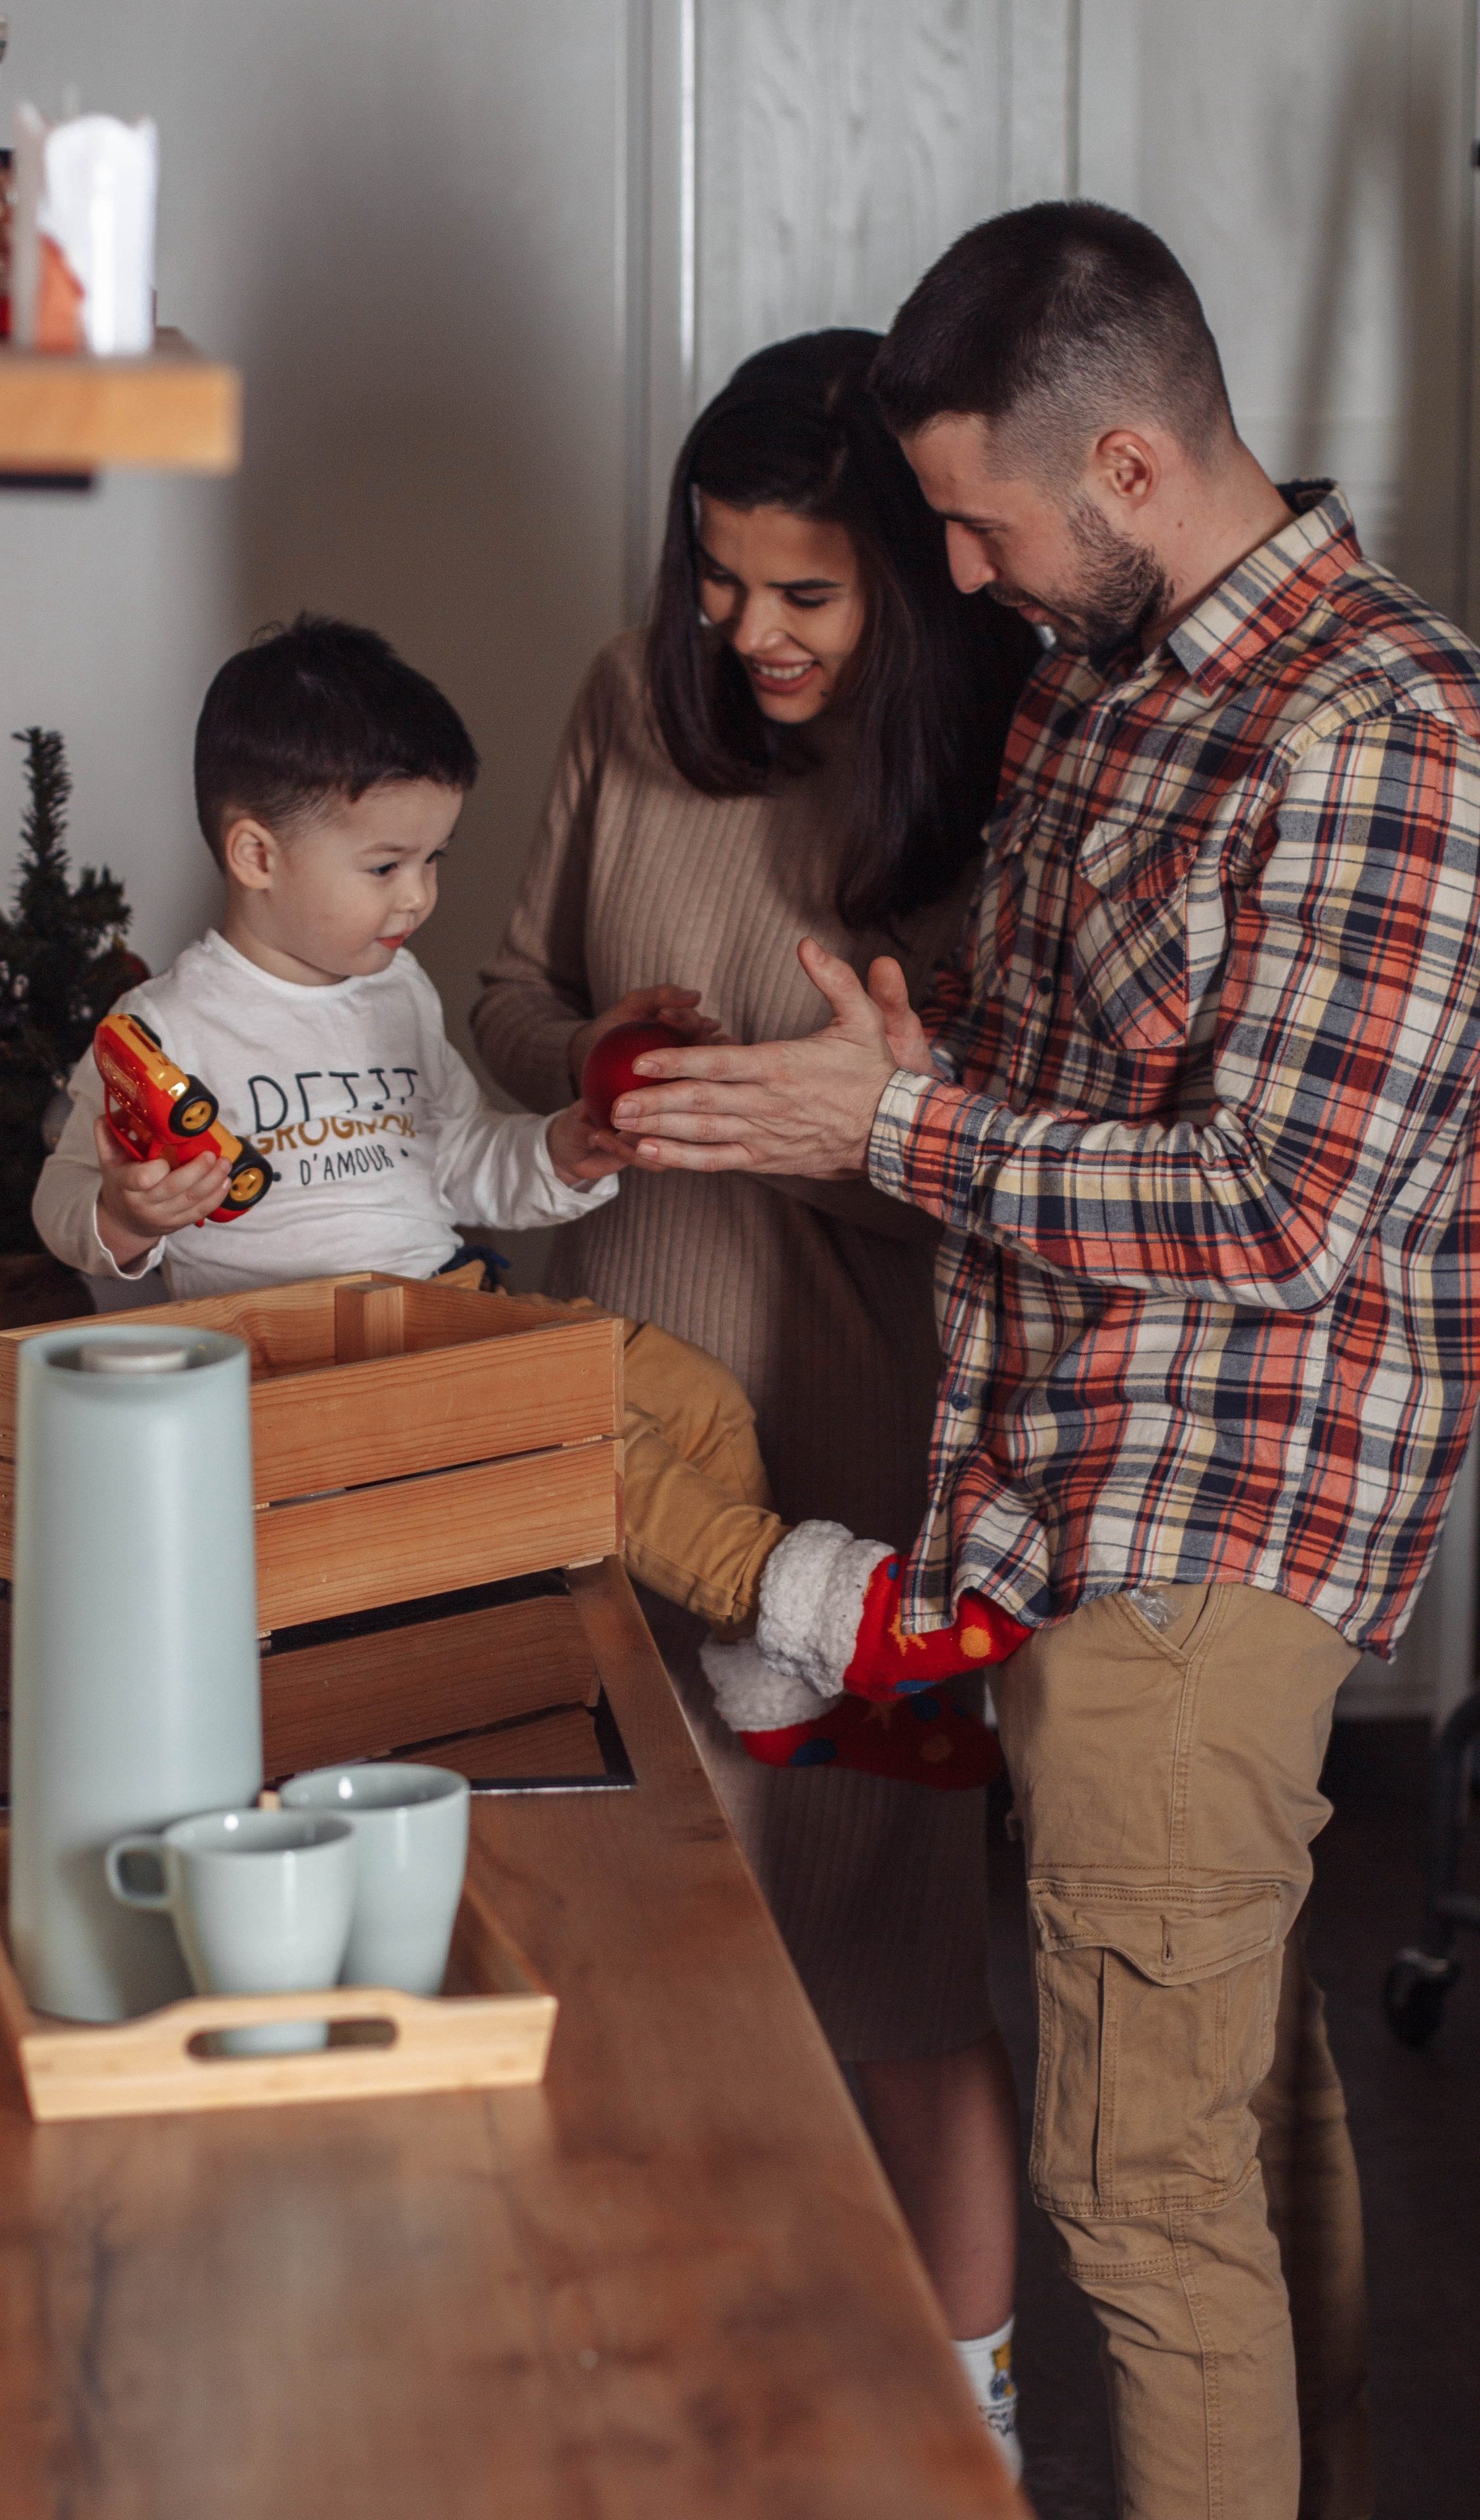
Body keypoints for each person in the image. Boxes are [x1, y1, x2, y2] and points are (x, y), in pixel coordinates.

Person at [608, 200, 1480, 2520]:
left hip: (1214, 1534)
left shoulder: (1383, 733)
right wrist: (931, 1067)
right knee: (1239, 2113)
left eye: (980, 525)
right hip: (1069, 1498)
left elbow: (1281, 1212)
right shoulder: (1108, 684)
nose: (961, 577)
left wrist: (896, 1126)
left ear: (1127, 467)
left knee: (1143, 2197)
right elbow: (1088, 1093)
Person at [473, 331, 1038, 2471]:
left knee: (894, 1979)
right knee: (621, 1959)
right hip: (609, 1441)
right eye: (719, 579)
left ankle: (974, 2437)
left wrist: (840, 1122)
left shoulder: (997, 779)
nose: (750, 631)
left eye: (806, 592)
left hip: (856, 1482)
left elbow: (1008, 1188)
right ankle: (673, 2428)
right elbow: (503, 1003)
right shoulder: (634, 702)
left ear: (910, 577)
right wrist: (597, 1062)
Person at [32, 615, 1009, 1771]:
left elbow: (454, 1158)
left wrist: (565, 1149)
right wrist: (129, 1216)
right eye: (385, 866)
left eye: (434, 859)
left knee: (701, 1399)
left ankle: (760, 1674)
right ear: (256, 855)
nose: (418, 897)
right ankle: (823, 1608)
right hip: (305, 1365)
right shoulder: (165, 1028)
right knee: (584, 1440)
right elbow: (65, 1201)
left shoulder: (393, 994)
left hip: (448, 1312)